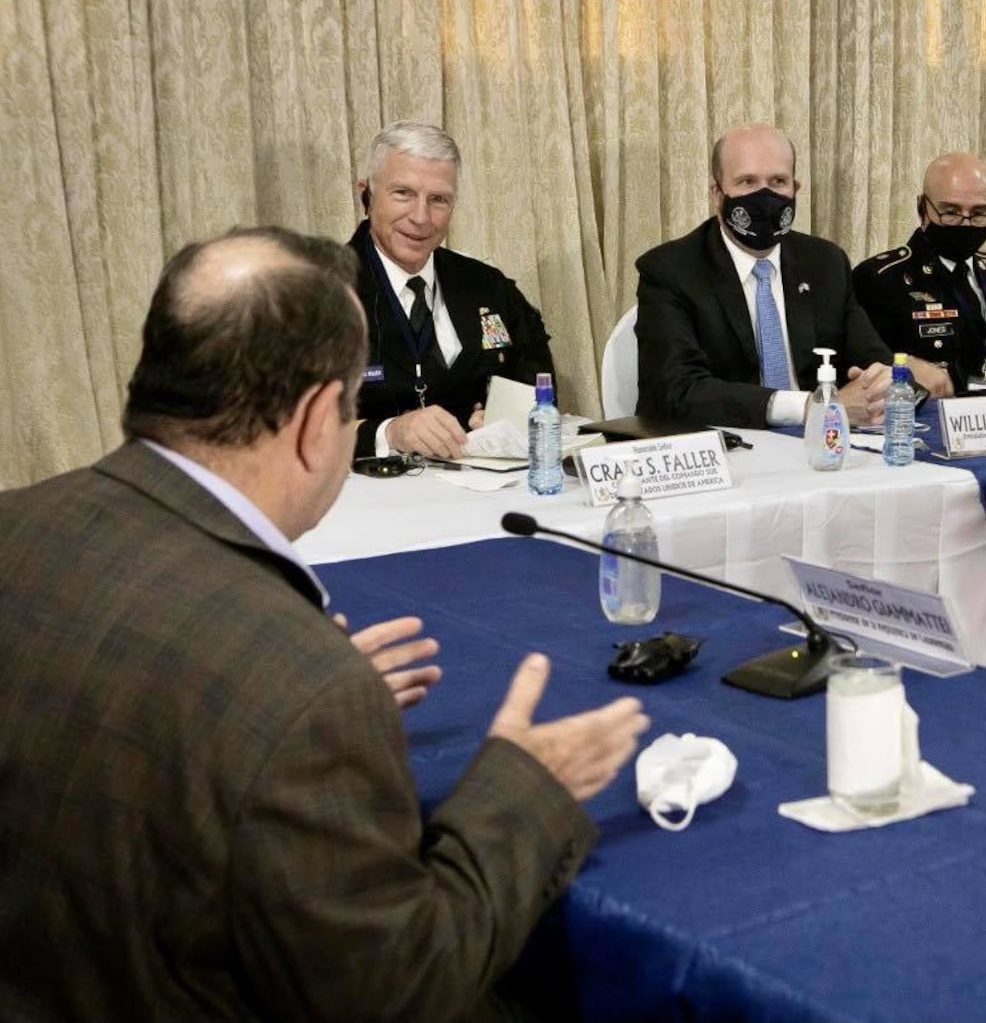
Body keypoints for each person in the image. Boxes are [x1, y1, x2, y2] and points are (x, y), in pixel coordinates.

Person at [0, 227, 649, 1020]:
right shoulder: (302, 685)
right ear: (316, 423)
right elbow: (400, 992)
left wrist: (264, 715)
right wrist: (525, 791)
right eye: (351, 411)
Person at [634, 123, 951, 428]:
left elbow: (869, 357)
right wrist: (814, 407)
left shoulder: (825, 263)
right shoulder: (671, 270)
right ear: (716, 193)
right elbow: (677, 392)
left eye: (777, 182)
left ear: (795, 189)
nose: (764, 196)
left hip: (822, 448)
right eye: (747, 182)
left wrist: (890, 378)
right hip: (728, 451)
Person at [348, 121, 554, 459]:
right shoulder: (316, 294)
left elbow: (537, 380)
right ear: (366, 196)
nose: (421, 217)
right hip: (362, 491)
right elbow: (284, 428)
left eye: (438, 200)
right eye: (403, 193)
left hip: (477, 484)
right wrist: (389, 432)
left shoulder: (486, 286)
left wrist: (508, 418)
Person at [853, 153, 986, 391]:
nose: (966, 223)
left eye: (979, 213)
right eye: (951, 212)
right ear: (922, 209)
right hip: (925, 419)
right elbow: (862, 369)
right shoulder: (881, 279)